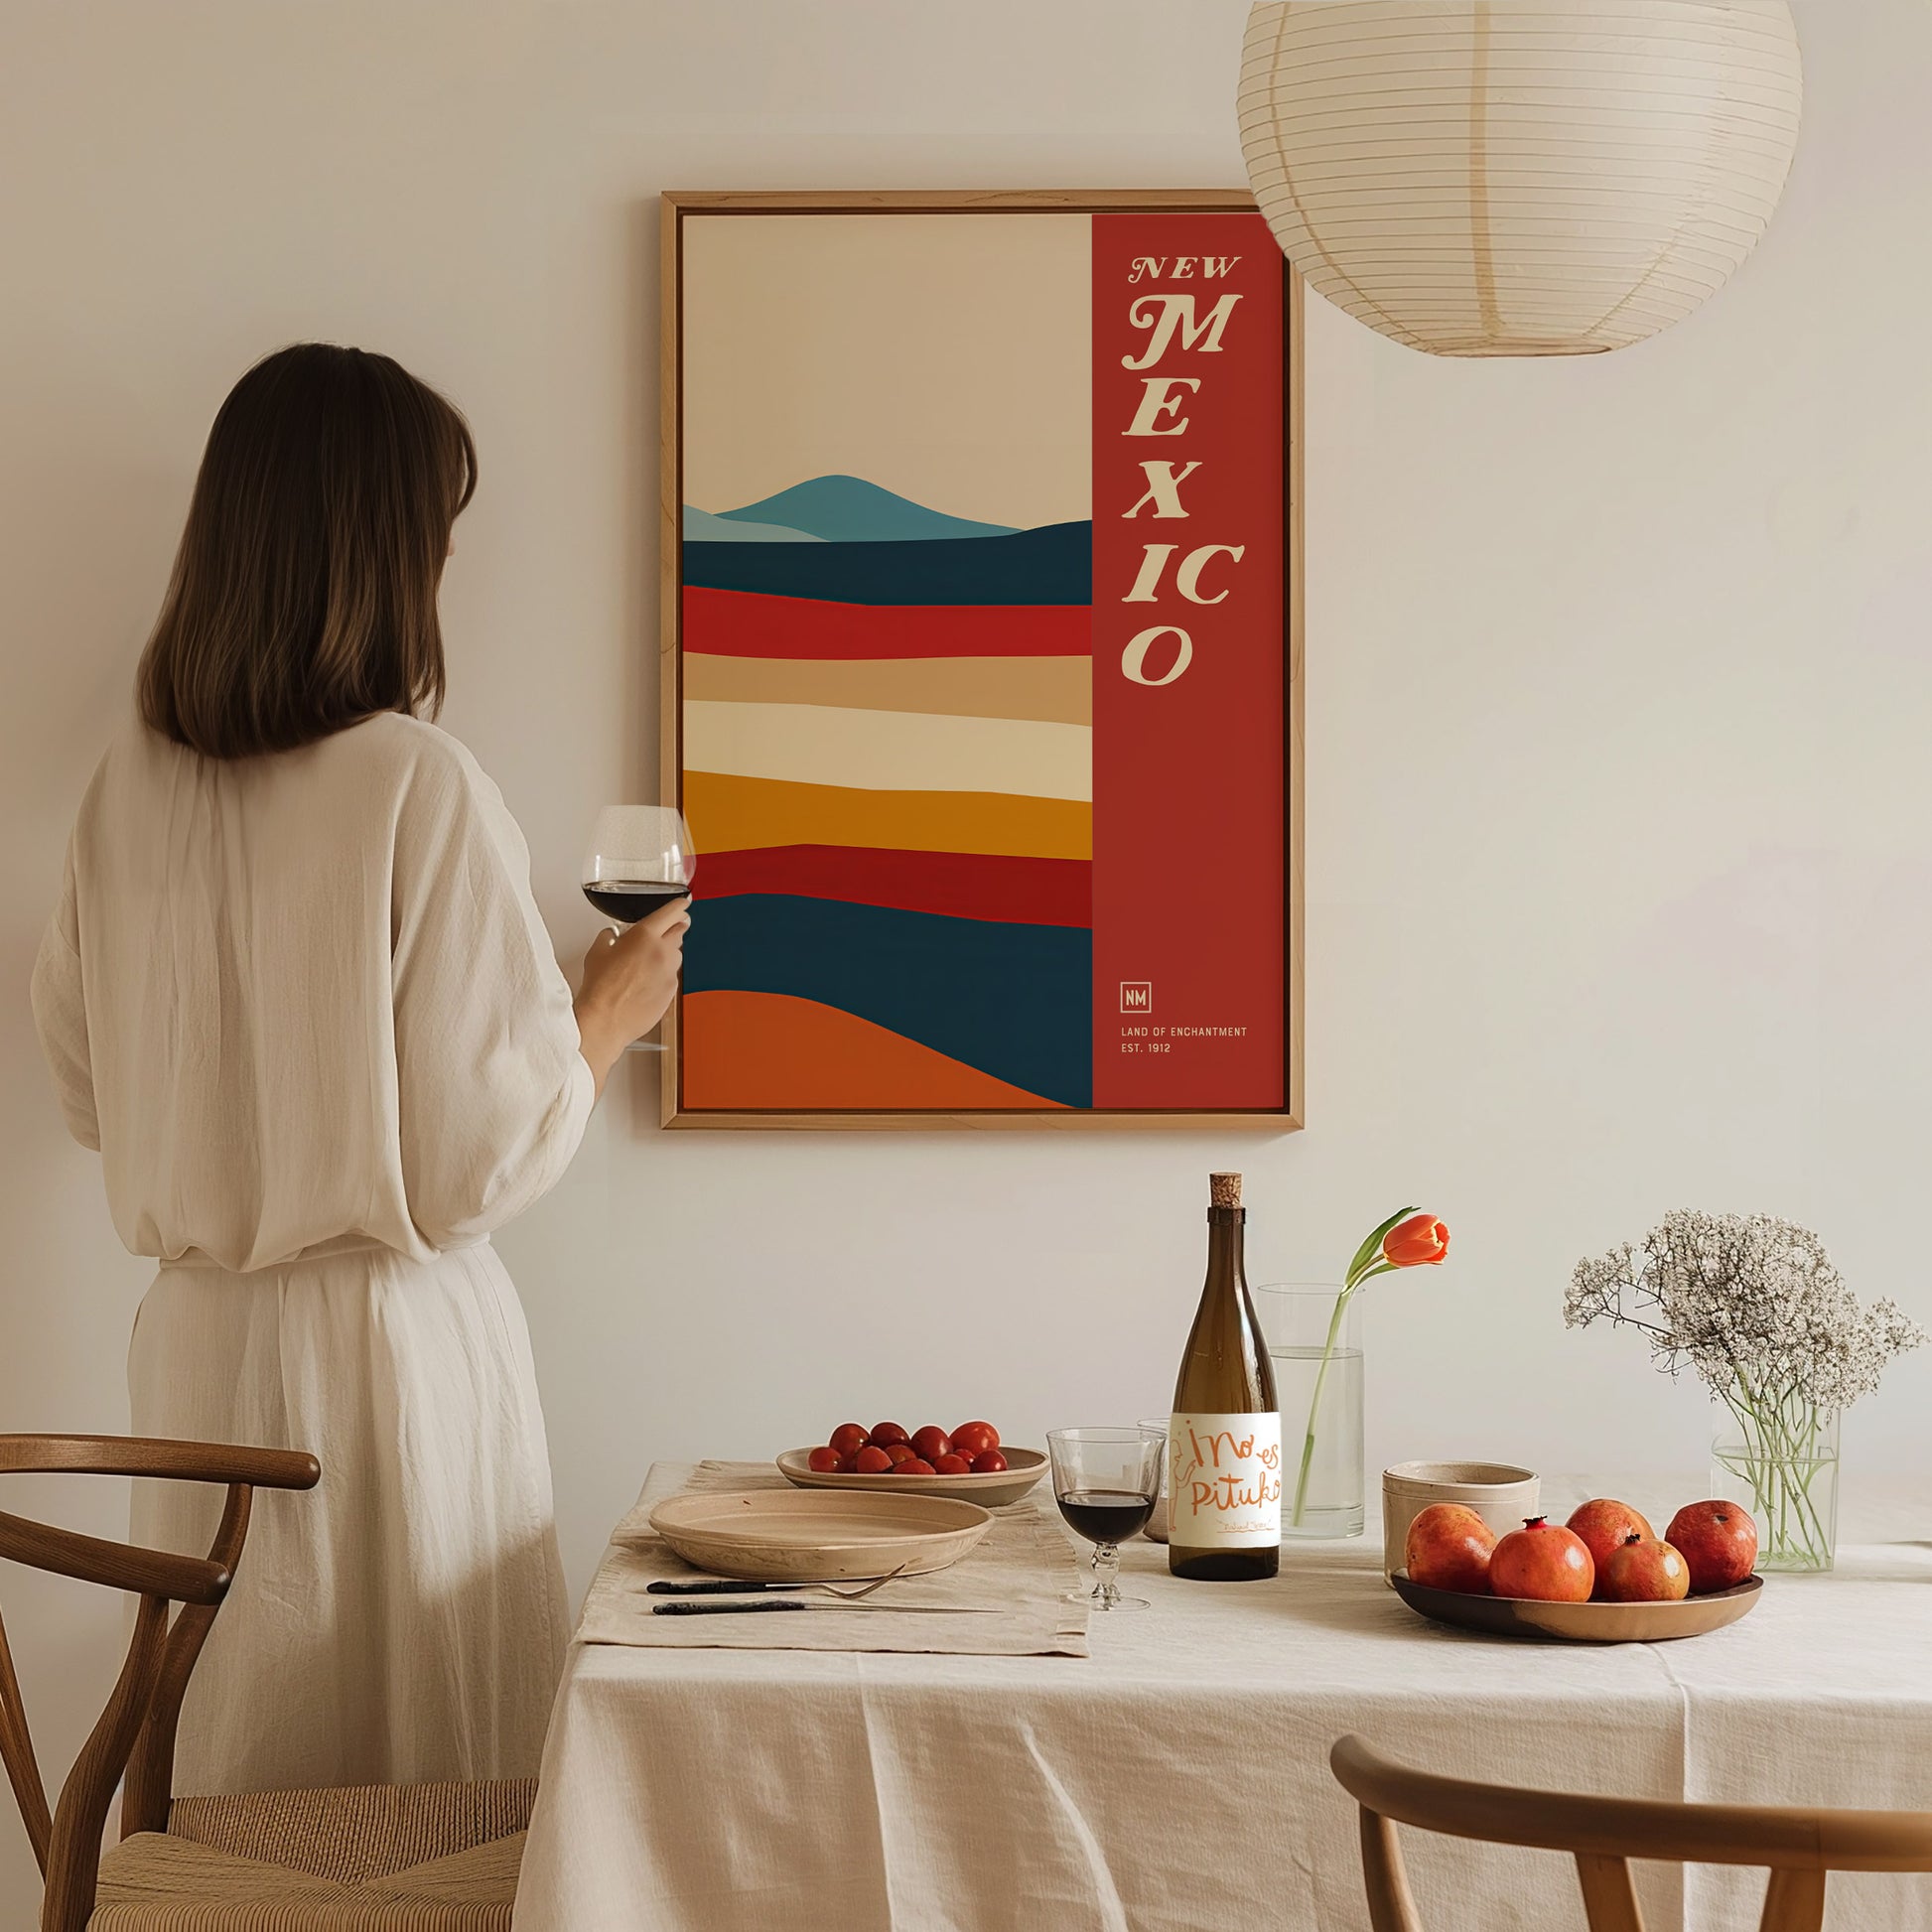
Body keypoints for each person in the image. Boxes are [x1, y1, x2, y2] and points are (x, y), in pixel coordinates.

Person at [29, 343, 684, 1793]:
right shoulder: (415, 780)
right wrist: (601, 1015)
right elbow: (470, 1167)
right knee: (424, 1794)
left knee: (237, 1771)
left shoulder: (124, 792)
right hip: (388, 1361)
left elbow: (86, 1091)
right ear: (384, 551)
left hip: (196, 1354)